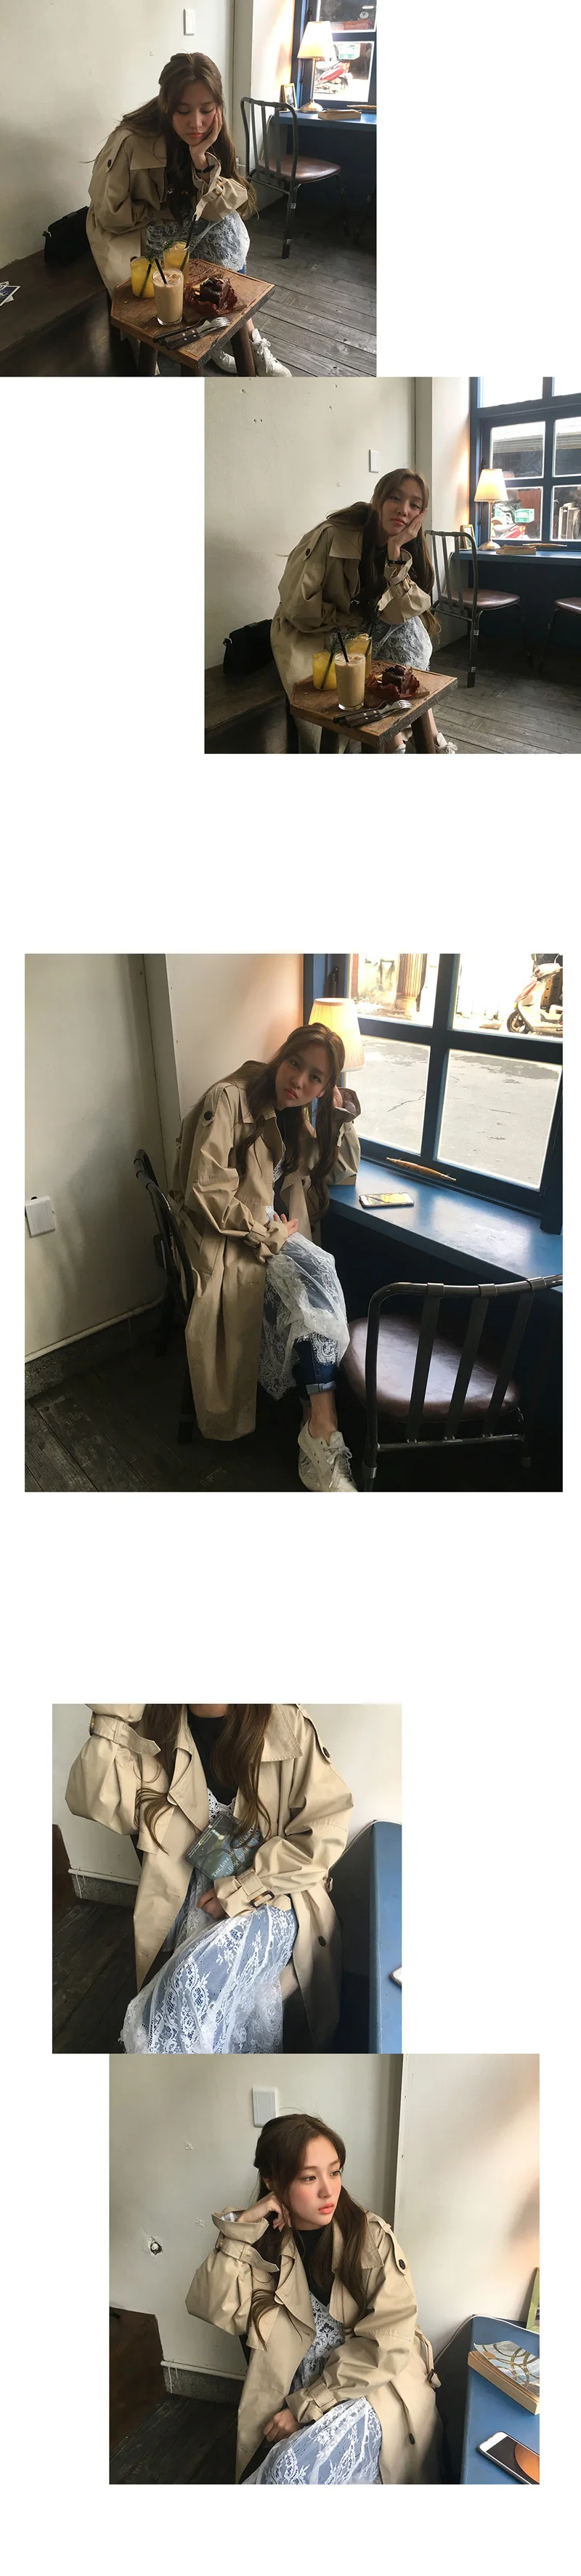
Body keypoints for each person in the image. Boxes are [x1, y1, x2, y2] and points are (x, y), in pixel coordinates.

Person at [65, 1704, 352, 2053]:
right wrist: (115, 1714)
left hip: (275, 1890)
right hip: (191, 1889)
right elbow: (93, 1803)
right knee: (189, 2004)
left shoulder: (283, 1721)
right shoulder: (154, 1723)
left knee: (189, 1984)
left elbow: (323, 1832)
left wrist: (243, 1888)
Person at [186, 2113, 441, 2483]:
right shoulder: (263, 2244)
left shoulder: (370, 2239)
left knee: (287, 2474)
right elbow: (213, 2308)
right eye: (309, 2177)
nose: (328, 2191)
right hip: (295, 2389)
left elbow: (386, 2345)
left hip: (370, 2389)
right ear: (273, 2182)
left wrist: (306, 2405)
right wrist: (242, 2229)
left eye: (335, 2172)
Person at [171, 1023, 361, 1494]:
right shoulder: (229, 1099)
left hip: (265, 1233)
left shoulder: (294, 1113)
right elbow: (206, 1192)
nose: (299, 1080)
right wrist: (267, 1231)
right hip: (229, 1239)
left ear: (325, 1087)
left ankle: (319, 1427)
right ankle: (322, 1434)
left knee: (321, 1276)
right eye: (295, 1063)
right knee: (306, 1297)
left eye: (316, 1077)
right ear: (282, 1055)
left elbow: (340, 1173)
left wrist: (341, 1118)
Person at [86, 52, 289, 377]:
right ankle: (216, 335)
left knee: (228, 232)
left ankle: (239, 335)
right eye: (184, 111)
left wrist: (201, 160)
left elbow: (227, 200)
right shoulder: (131, 140)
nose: (196, 123)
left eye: (206, 110)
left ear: (217, 106)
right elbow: (110, 214)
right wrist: (164, 209)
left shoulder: (212, 131)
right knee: (206, 241)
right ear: (166, 105)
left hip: (184, 221)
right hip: (140, 229)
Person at [272, 468, 457, 751]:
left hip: (362, 628)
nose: (403, 509)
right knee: (397, 643)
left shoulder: (403, 545)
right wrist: (351, 618)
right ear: (379, 499)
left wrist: (395, 554)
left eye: (414, 504)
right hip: (319, 628)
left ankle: (406, 738)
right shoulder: (333, 535)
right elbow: (298, 607)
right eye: (395, 498)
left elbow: (406, 610)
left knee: (409, 632)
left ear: (421, 514)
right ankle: (406, 740)